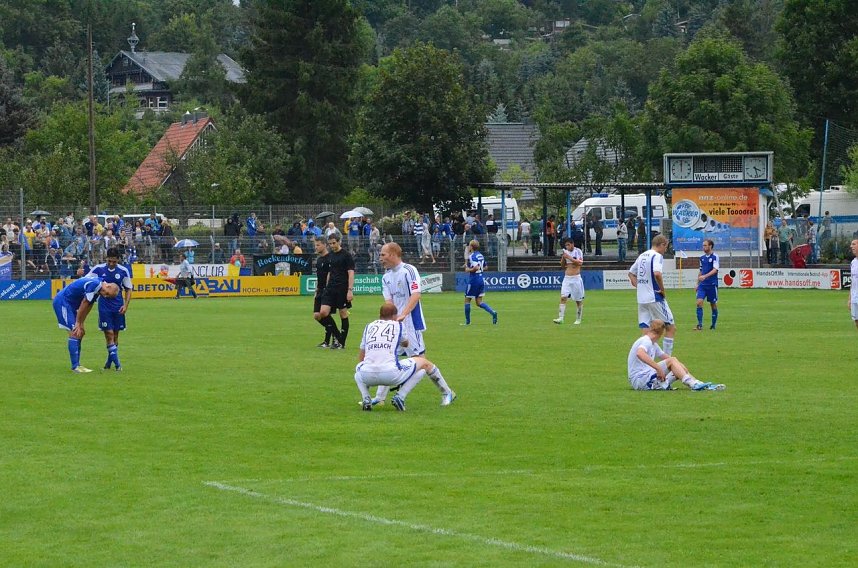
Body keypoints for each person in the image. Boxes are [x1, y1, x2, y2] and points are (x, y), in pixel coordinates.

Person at [371, 242, 456, 407]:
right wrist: (390, 320)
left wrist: (403, 314)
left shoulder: (409, 270)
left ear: (394, 254)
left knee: (420, 363)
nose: (380, 258)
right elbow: (389, 302)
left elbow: (416, 295)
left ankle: (447, 392)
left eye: (383, 255)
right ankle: (380, 398)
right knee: (386, 358)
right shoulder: (386, 277)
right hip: (395, 325)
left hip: (410, 323)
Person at [354, 304, 453, 411]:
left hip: (367, 375)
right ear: (394, 316)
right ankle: (446, 393)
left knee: (358, 372)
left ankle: (366, 398)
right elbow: (405, 344)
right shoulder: (398, 325)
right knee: (424, 364)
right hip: (391, 374)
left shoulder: (369, 326)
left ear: (379, 315)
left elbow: (362, 355)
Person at [627, 319, 725, 391]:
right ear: (662, 332)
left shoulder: (653, 344)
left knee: (676, 364)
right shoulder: (646, 341)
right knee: (673, 361)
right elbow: (640, 353)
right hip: (639, 379)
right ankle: (693, 384)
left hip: (646, 379)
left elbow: (669, 360)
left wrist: (680, 367)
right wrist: (658, 368)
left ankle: (698, 384)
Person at [53, 274, 120, 372]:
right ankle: (75, 366)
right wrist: (78, 322)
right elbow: (84, 303)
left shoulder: (98, 288)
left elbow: (89, 305)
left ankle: (78, 365)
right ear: (108, 286)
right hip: (63, 302)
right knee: (75, 332)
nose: (105, 296)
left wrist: (81, 323)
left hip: (71, 306)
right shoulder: (95, 284)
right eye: (107, 294)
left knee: (80, 332)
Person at [628, 235, 676, 355]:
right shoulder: (657, 256)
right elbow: (657, 273)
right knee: (670, 328)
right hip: (655, 297)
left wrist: (639, 286)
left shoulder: (642, 255)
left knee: (646, 331)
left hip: (642, 298)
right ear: (663, 244)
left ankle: (644, 362)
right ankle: (667, 363)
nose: (666, 250)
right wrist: (662, 290)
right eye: (666, 247)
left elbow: (631, 273)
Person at [88, 248, 133, 370]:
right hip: (104, 306)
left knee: (116, 335)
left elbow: (128, 289)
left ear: (118, 259)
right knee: (109, 333)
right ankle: (118, 365)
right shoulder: (98, 269)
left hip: (118, 306)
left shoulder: (123, 271)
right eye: (109, 261)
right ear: (106, 258)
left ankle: (109, 363)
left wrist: (126, 306)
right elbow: (86, 280)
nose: (111, 263)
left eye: (114, 261)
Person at [318, 233, 354, 349]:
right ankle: (338, 336)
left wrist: (350, 290)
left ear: (339, 242)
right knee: (323, 312)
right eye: (330, 244)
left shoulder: (346, 255)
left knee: (343, 313)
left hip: (342, 288)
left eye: (334, 243)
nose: (332, 245)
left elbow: (351, 273)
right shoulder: (331, 256)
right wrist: (326, 286)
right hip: (330, 288)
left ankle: (341, 342)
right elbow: (329, 272)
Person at [463, 239, 498, 326]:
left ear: (471, 247)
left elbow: (476, 267)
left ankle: (467, 322)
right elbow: (485, 267)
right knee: (479, 302)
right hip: (481, 279)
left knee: (467, 300)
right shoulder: (481, 255)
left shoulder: (472, 256)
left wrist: (468, 269)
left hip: (474, 280)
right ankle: (493, 312)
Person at [312, 238, 336, 348]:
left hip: (327, 290)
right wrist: (316, 290)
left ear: (324, 245)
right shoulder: (319, 260)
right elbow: (318, 276)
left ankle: (331, 339)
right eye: (315, 245)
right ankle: (332, 333)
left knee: (324, 313)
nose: (316, 247)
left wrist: (327, 289)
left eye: (318, 245)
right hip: (320, 290)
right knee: (317, 316)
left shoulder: (330, 258)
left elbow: (330, 275)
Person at [553, 239, 584, 324]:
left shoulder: (578, 251)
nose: (567, 247)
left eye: (568, 245)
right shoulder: (566, 253)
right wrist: (563, 257)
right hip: (567, 278)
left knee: (578, 300)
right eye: (566, 245)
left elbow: (580, 263)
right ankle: (560, 318)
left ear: (572, 244)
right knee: (563, 297)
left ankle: (578, 319)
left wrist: (569, 257)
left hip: (576, 278)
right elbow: (563, 266)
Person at [694, 239, 719, 331]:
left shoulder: (715, 256)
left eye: (705, 245)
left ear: (710, 246)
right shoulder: (702, 258)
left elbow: (715, 270)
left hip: (712, 284)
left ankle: (713, 325)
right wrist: (697, 284)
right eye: (703, 245)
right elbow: (701, 271)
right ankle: (699, 325)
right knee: (699, 303)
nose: (703, 247)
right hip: (702, 285)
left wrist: (705, 276)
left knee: (713, 305)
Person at [849, 239, 858, 331]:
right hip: (855, 297)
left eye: (854, 244)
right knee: (856, 321)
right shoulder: (853, 262)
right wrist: (850, 299)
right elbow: (853, 281)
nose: (851, 246)